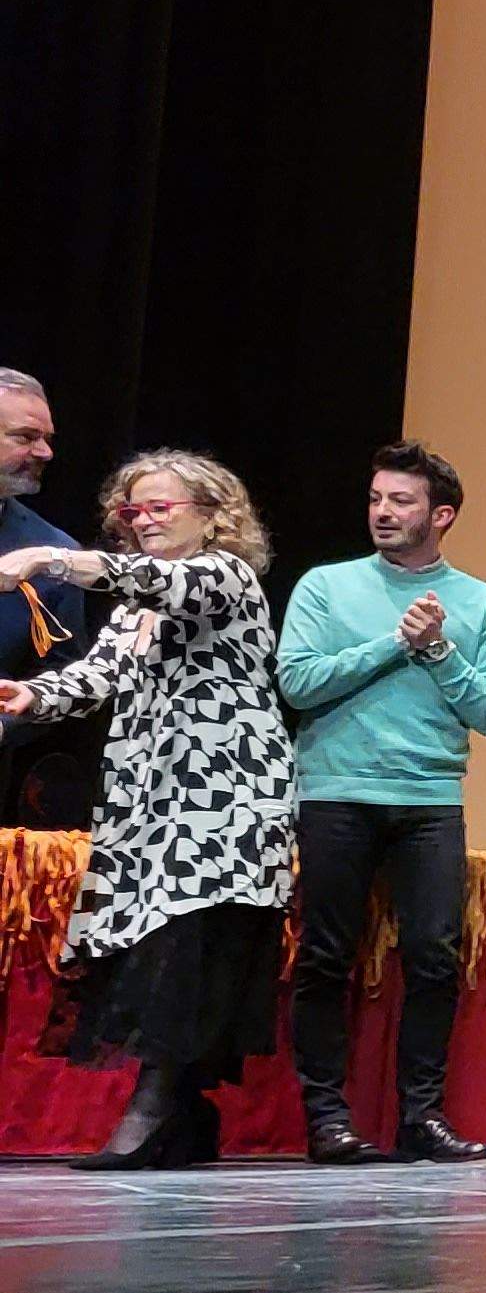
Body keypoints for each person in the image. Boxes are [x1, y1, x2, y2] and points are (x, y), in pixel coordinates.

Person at [0, 451, 295, 1169]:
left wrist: (50, 559)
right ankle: (185, 1115)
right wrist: (31, 696)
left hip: (222, 802)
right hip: (149, 801)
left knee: (185, 949)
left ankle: (154, 1109)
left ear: (211, 515)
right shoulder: (138, 608)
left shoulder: (225, 576)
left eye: (161, 507)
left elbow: (161, 580)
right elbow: (100, 674)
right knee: (153, 949)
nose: (144, 520)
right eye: (133, 510)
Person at [276, 442, 486, 1165]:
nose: (383, 511)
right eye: (377, 497)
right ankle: (327, 1119)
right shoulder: (326, 586)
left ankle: (421, 1117)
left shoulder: (482, 603)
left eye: (401, 500)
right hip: (337, 793)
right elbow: (299, 684)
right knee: (325, 957)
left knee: (434, 958)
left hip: (429, 799)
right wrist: (394, 643)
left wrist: (440, 650)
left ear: (441, 515)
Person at [0, 369, 100, 828]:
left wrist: (7, 720)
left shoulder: (52, 552)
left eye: (47, 438)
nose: (45, 452)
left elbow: (62, 670)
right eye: (26, 437)